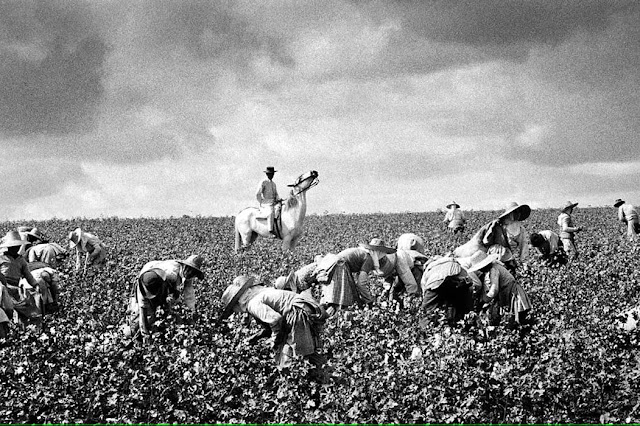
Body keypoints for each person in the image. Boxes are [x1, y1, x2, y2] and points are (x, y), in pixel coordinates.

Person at [220, 275, 328, 381]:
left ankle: (308, 380)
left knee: (290, 358)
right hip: (308, 307)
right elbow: (272, 323)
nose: (236, 312)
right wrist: (256, 337)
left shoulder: (253, 304)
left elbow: (275, 319)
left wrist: (275, 341)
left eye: (234, 308)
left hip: (297, 313)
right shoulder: (263, 292)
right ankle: (324, 374)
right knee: (309, 351)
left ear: (238, 302)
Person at [129, 254, 205, 343]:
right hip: (147, 278)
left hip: (160, 282)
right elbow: (143, 308)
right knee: (143, 317)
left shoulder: (188, 275)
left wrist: (191, 313)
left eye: (193, 273)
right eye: (189, 271)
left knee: (165, 310)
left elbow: (189, 295)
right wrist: (145, 334)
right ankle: (135, 334)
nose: (190, 274)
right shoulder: (170, 274)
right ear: (185, 266)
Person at [319, 238, 395, 316]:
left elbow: (355, 282)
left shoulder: (362, 252)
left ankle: (323, 314)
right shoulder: (368, 258)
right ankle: (329, 316)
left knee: (332, 297)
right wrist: (369, 301)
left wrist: (359, 299)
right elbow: (361, 284)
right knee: (340, 301)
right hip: (340, 267)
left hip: (331, 265)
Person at [454, 202, 531, 275]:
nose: (517, 214)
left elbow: (524, 246)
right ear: (509, 213)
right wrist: (492, 228)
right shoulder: (499, 225)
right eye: (515, 212)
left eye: (518, 211)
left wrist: (525, 263)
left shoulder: (521, 229)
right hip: (495, 254)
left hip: (509, 256)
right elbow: (486, 241)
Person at [464, 250, 532, 326]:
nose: (479, 270)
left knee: (519, 319)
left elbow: (494, 290)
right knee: (513, 319)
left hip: (513, 293)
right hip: (508, 293)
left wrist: (484, 300)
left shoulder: (494, 270)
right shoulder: (493, 268)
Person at [0, 231, 42, 322]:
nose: (15, 249)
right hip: (3, 287)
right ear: (9, 247)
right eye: (13, 247)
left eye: (17, 247)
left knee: (28, 305)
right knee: (7, 308)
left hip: (15, 288)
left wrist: (35, 285)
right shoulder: (2, 258)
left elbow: (28, 275)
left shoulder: (21, 260)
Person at [420, 256, 474, 325]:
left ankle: (425, 328)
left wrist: (427, 304)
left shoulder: (428, 269)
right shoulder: (452, 261)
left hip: (436, 282)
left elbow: (425, 290)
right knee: (461, 307)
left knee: (426, 312)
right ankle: (464, 323)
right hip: (457, 279)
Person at [256, 166, 281, 235]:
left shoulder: (273, 184)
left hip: (273, 202)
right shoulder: (263, 182)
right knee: (270, 212)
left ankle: (278, 228)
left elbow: (276, 194)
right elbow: (258, 194)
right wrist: (262, 202)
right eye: (270, 174)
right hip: (266, 203)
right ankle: (270, 230)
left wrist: (278, 199)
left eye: (272, 174)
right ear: (267, 174)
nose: (271, 175)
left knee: (281, 209)